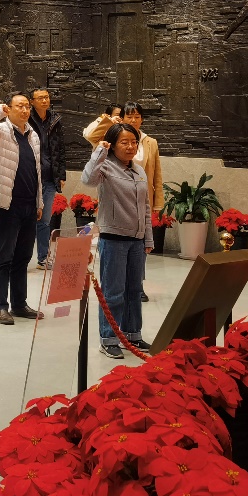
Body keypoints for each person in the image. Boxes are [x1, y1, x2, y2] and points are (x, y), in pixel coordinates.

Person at [82, 124, 153, 358]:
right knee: (113, 292)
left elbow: (145, 206)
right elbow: (87, 179)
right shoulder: (105, 166)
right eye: (124, 142)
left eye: (134, 142)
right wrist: (99, 151)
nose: (131, 146)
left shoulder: (139, 170)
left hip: (137, 240)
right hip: (114, 239)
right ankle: (108, 338)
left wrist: (148, 237)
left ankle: (132, 333)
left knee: (134, 290)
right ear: (113, 145)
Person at [0, 95, 44, 326]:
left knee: (23, 257)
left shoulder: (33, 134)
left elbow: (37, 171)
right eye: (19, 106)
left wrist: (39, 202)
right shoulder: (1, 130)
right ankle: (0, 306)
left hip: (29, 204)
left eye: (27, 106)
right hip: (7, 204)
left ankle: (19, 303)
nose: (24, 110)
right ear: (9, 108)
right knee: (4, 257)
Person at [28, 88, 64, 270]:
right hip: (29, 176)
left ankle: (43, 258)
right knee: (27, 219)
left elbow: (60, 149)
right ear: (32, 101)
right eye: (40, 98)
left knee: (45, 220)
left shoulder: (55, 119)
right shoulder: (26, 119)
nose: (44, 101)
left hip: (50, 177)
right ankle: (21, 257)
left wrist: (61, 174)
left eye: (46, 97)